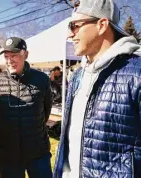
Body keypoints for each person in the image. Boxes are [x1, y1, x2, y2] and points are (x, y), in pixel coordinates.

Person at [53, 0, 141, 178]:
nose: (71, 35)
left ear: (102, 25)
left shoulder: (137, 74)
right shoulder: (77, 76)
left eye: (75, 26)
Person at [0, 37, 53, 178]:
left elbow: (46, 111)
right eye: (6, 56)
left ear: (26, 55)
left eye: (14, 55)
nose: (10, 60)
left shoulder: (42, 79)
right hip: (8, 155)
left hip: (38, 153)